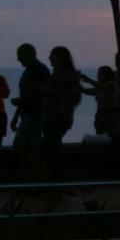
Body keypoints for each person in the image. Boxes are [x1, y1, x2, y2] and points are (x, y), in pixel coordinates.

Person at [42, 45, 83, 180]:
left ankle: (56, 185)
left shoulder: (65, 75)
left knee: (52, 152)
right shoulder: (58, 74)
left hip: (56, 118)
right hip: (52, 117)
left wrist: (61, 112)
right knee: (51, 152)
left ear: (60, 58)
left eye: (52, 55)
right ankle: (55, 184)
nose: (50, 58)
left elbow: (73, 98)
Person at [10, 43, 50, 150]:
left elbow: (40, 94)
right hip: (28, 114)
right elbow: (26, 95)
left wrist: (20, 101)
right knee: (30, 146)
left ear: (29, 55)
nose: (18, 59)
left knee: (21, 145)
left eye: (20, 55)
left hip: (35, 115)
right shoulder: (30, 70)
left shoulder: (39, 70)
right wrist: (16, 117)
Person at [80, 65, 120, 143]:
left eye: (100, 73)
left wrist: (87, 80)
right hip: (100, 114)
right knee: (100, 137)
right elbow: (86, 91)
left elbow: (101, 86)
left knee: (112, 137)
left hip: (111, 114)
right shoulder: (101, 87)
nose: (98, 75)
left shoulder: (112, 83)